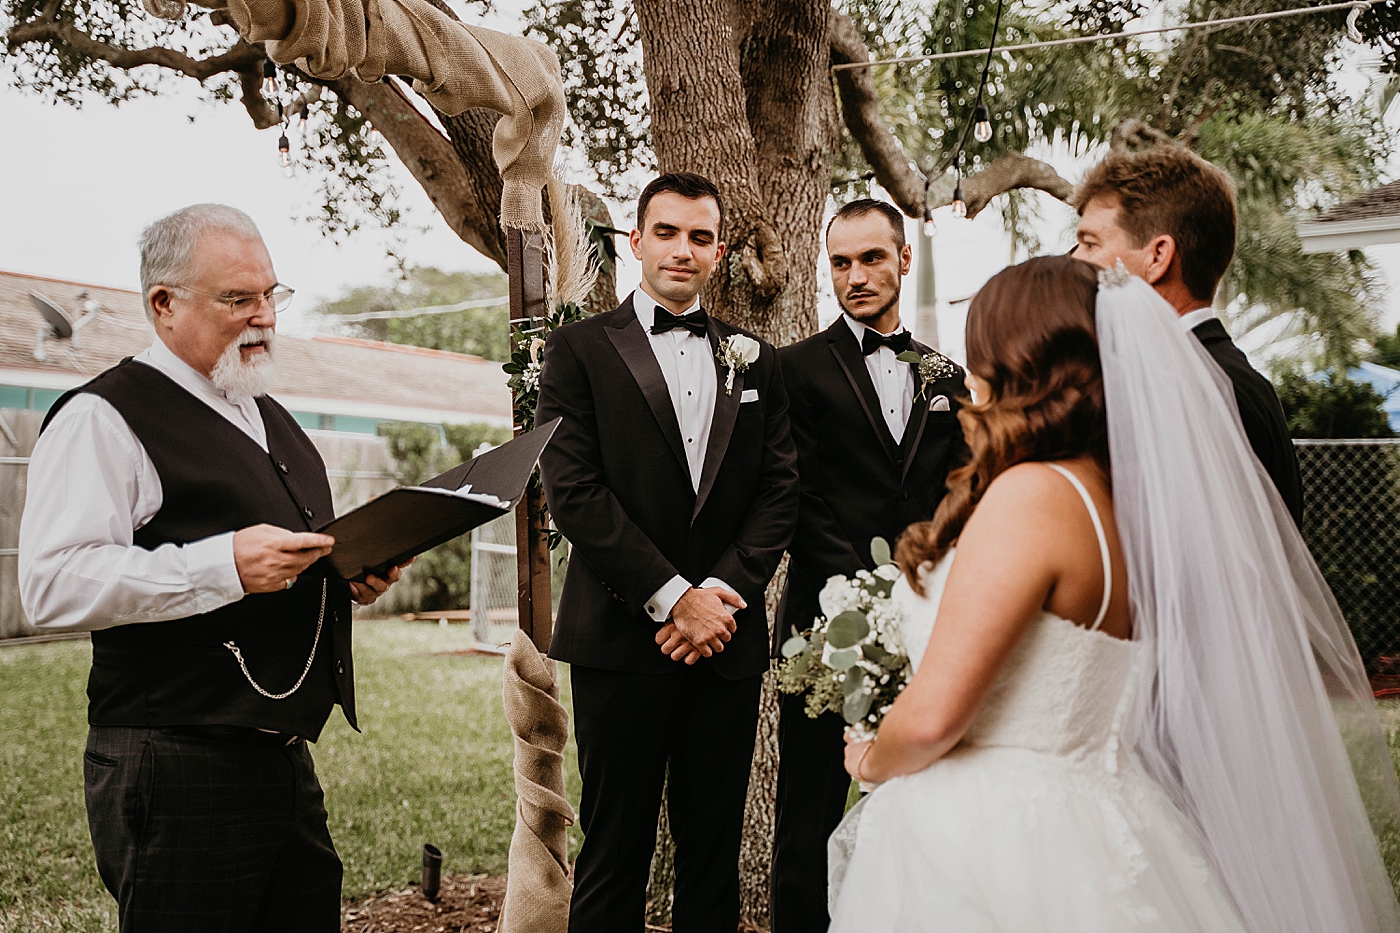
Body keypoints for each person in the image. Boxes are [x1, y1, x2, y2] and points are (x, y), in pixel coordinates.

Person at [827, 256, 1400, 932]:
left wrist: (872, 756)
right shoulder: (1124, 505)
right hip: (1105, 812)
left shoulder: (1033, 494)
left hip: (996, 835)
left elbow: (933, 719)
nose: (969, 370)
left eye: (978, 344)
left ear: (1017, 357)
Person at [18, 204, 402, 932]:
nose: (263, 317)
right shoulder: (103, 418)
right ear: (163, 303)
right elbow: (51, 583)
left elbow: (281, 559)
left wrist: (347, 573)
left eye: (270, 295)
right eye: (237, 299)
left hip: (283, 761)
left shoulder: (269, 415)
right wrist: (218, 565)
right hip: (173, 763)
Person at [535, 172, 799, 933]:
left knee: (711, 852)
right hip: (620, 640)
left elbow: (779, 493)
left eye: (701, 237)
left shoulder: (758, 361)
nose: (684, 249)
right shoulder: (579, 350)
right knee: (615, 848)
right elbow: (574, 489)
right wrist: (671, 595)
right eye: (669, 232)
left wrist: (715, 596)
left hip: (725, 640)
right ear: (637, 241)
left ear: (718, 253)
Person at [769, 198, 965, 933]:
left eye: (872, 258)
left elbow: (962, 490)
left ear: (903, 259)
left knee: (922, 803)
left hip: (932, 629)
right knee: (810, 810)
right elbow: (796, 498)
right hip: (824, 630)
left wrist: (922, 595)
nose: (855, 275)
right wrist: (870, 598)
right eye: (841, 262)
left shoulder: (946, 375)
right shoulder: (795, 369)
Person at [1071, 144, 1304, 526]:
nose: (1075, 260)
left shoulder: (1185, 389)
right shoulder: (1239, 379)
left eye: (1090, 243)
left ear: (1158, 257)